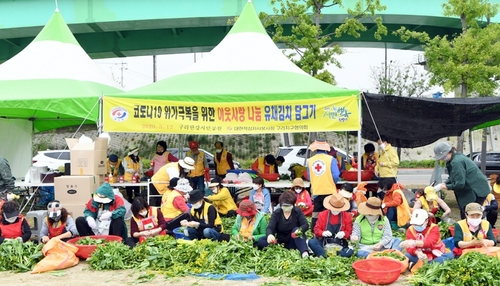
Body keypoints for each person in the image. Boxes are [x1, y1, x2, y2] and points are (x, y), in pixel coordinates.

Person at [433, 142, 490, 219]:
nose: (441, 159)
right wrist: (443, 184)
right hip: (473, 188)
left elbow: (459, 184)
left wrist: (445, 186)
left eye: (442, 156)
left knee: (470, 215)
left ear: (447, 152)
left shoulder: (456, 162)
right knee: (467, 214)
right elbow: (453, 177)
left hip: (475, 191)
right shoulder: (455, 158)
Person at [257, 191, 309, 258]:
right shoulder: (277, 213)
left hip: (293, 240)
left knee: (297, 230)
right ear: (281, 205)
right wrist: (270, 235)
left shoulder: (297, 211)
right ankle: (278, 250)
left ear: (293, 205)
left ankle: (304, 253)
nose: (286, 207)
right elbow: (270, 227)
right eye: (284, 206)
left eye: (289, 206)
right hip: (279, 241)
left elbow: (305, 224)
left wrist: (299, 231)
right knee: (261, 240)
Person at [307, 139, 340, 231]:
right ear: (326, 149)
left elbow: (309, 177)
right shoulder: (331, 159)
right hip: (329, 190)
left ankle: (314, 231)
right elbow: (336, 175)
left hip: (317, 190)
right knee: (328, 212)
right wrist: (332, 182)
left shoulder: (310, 161)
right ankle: (328, 231)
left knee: (316, 213)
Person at [308, 193, 354, 258]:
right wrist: (323, 233)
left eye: (338, 209)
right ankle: (324, 255)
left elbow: (349, 232)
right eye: (334, 209)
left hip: (340, 244)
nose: (336, 211)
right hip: (325, 243)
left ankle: (331, 255)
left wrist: (344, 233)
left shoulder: (347, 216)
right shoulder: (323, 214)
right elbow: (316, 230)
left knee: (349, 252)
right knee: (311, 242)